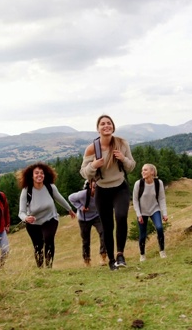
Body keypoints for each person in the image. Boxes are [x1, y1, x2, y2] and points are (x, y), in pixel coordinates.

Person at [80, 114, 136, 271]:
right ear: (98, 128)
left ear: (113, 126)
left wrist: (123, 159)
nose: (106, 126)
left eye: (109, 123)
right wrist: (94, 166)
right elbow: (84, 173)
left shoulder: (122, 143)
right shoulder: (92, 148)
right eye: (102, 124)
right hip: (102, 190)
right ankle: (111, 260)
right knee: (107, 226)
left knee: (121, 216)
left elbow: (131, 166)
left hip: (120, 187)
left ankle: (120, 255)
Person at [17, 162, 76, 268]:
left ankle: (49, 267)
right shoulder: (27, 190)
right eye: (36, 173)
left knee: (48, 239)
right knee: (38, 245)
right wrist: (26, 218)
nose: (39, 175)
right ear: (31, 176)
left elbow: (60, 199)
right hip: (33, 223)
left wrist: (69, 209)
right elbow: (21, 212)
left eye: (41, 173)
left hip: (50, 219)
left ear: (45, 175)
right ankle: (40, 268)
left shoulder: (50, 187)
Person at [133, 164, 168, 262]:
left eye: (145, 170)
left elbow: (161, 198)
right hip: (142, 212)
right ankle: (142, 255)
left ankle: (162, 251)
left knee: (160, 228)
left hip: (154, 209)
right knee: (143, 234)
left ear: (152, 172)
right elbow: (135, 201)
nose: (142, 172)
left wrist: (164, 213)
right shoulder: (138, 184)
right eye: (142, 170)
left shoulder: (158, 183)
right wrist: (138, 214)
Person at [68, 179, 108, 267]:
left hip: (96, 216)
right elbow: (70, 197)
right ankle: (87, 261)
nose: (96, 189)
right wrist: (81, 207)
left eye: (98, 187)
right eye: (94, 187)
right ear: (90, 187)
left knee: (104, 232)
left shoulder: (102, 194)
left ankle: (103, 256)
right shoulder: (82, 194)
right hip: (84, 219)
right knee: (86, 240)